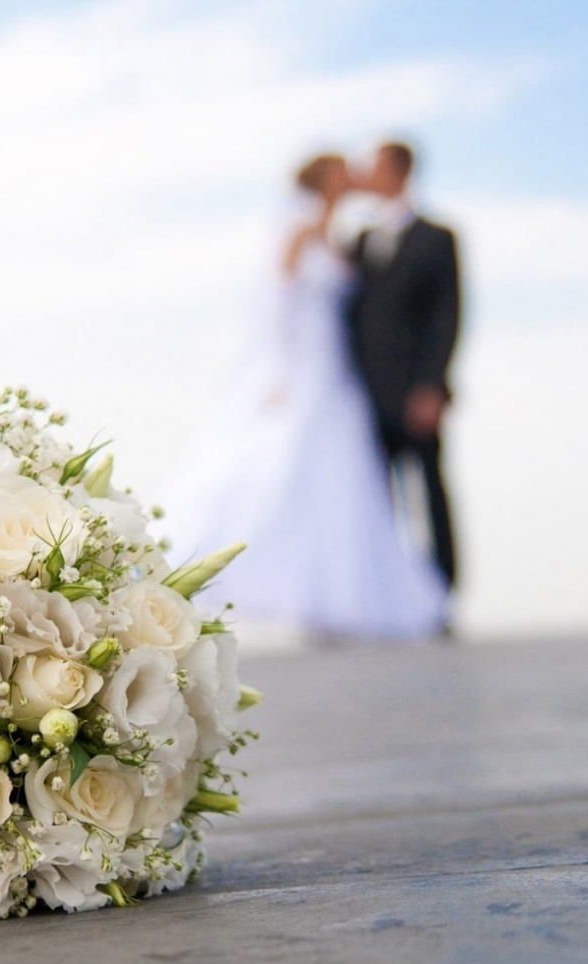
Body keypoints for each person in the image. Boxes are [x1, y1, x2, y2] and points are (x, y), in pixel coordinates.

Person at [159, 152, 448, 641]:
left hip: (338, 372)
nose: (353, 178)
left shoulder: (344, 238)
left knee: (341, 484)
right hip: (301, 368)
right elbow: (275, 303)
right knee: (281, 473)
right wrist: (277, 371)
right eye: (342, 173)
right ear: (321, 183)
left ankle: (334, 600)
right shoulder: (296, 231)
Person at [346, 140, 461, 592]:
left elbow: (447, 316)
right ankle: (385, 596)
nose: (364, 175)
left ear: (398, 171)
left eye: (371, 166)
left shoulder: (438, 238)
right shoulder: (357, 243)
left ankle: (441, 593)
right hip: (362, 395)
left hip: (416, 393)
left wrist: (432, 385)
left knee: (430, 492)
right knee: (373, 501)